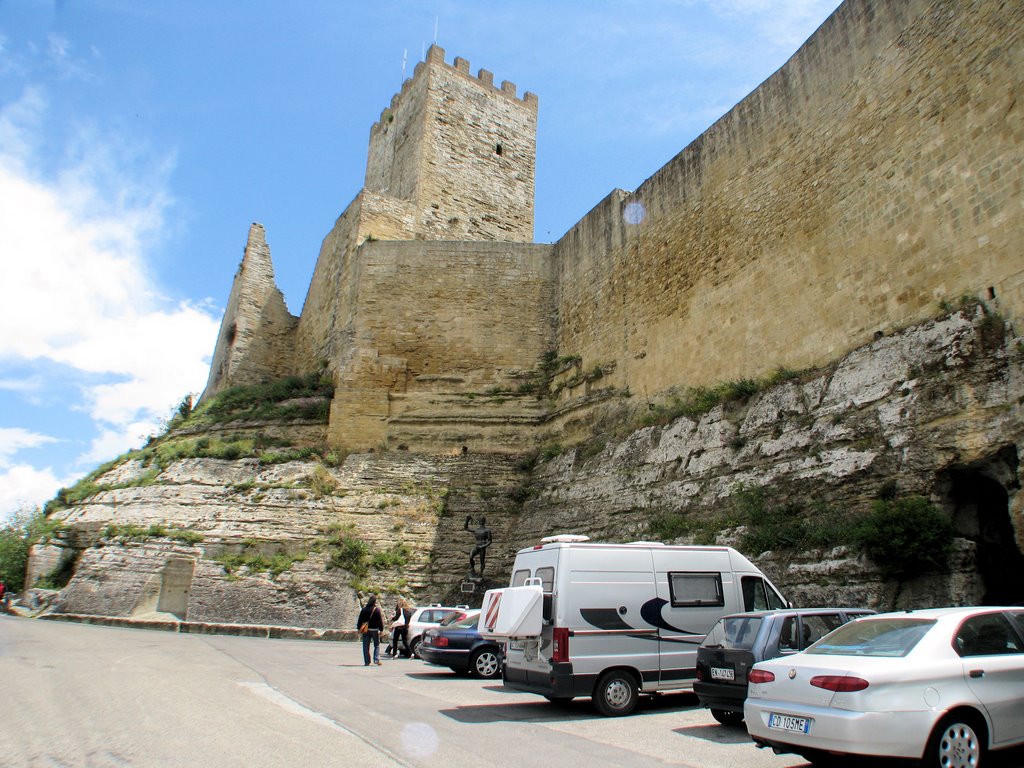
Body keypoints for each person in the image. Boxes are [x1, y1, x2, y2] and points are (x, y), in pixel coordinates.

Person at [356, 594, 385, 666]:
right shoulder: (377, 610)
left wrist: (358, 628)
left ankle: (367, 661)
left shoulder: (364, 609)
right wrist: (381, 630)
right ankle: (376, 659)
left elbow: (360, 620)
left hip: (366, 630)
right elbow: (380, 621)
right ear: (375, 602)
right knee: (377, 645)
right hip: (375, 630)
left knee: (365, 646)